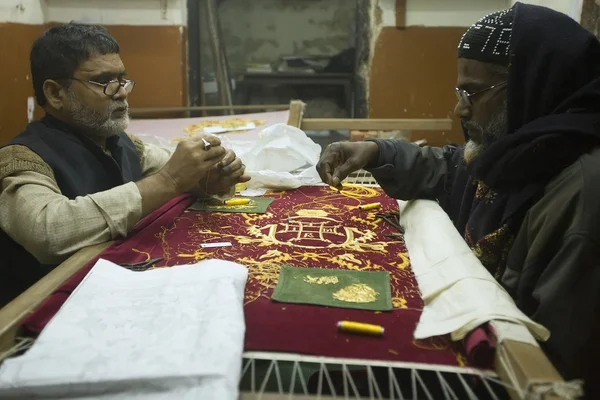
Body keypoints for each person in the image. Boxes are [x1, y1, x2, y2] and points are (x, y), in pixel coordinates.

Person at [317, 2, 600, 395]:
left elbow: (550, 366)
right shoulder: (522, 152)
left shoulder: (580, 197)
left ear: (531, 86)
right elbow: (451, 169)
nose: (459, 107)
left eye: (473, 92)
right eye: (459, 90)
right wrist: (379, 151)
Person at [0, 23, 250, 305]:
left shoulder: (122, 143)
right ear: (56, 94)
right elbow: (47, 231)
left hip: (115, 287)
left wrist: (207, 179)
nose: (121, 92)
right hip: (43, 310)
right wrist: (169, 181)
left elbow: (177, 171)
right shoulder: (22, 158)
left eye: (122, 79)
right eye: (104, 81)